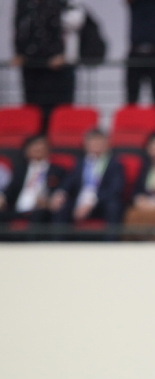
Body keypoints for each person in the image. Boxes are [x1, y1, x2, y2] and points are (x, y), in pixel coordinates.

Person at [49, 129, 124, 225]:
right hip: (79, 200)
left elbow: (114, 189)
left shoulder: (114, 164)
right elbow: (69, 181)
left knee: (113, 206)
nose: (96, 144)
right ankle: (57, 235)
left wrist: (91, 202)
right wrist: (60, 193)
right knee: (60, 206)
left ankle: (111, 235)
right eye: (93, 141)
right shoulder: (80, 163)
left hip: (100, 202)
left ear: (107, 144)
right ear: (86, 144)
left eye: (99, 141)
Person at [13, 0, 68, 129]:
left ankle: (47, 132)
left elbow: (62, 28)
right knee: (31, 103)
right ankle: (35, 133)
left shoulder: (56, 4)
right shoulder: (23, 4)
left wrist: (60, 52)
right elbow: (19, 26)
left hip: (52, 62)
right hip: (29, 61)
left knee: (51, 103)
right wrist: (19, 52)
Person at [0, 135, 67, 224]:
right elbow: (10, 190)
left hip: (40, 210)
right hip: (17, 209)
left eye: (41, 146)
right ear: (26, 151)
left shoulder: (57, 171)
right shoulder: (20, 170)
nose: (38, 149)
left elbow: (60, 192)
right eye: (34, 146)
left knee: (40, 215)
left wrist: (49, 201)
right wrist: (2, 197)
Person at [125, 0, 155, 108]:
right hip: (135, 53)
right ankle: (131, 119)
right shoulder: (135, 4)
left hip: (154, 53)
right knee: (132, 97)